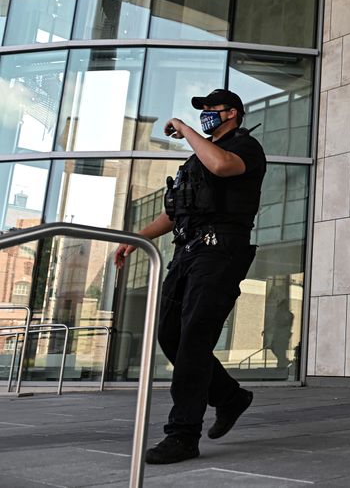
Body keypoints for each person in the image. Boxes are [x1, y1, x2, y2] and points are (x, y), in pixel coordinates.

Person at [114, 89, 266, 464]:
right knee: (170, 334)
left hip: (221, 251)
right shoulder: (195, 161)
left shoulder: (245, 148)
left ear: (232, 113)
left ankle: (182, 434)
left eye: (211, 110)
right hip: (187, 252)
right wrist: (136, 239)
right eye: (200, 113)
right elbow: (174, 214)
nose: (205, 116)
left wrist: (184, 127)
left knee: (195, 337)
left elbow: (222, 166)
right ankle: (230, 397)